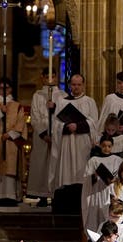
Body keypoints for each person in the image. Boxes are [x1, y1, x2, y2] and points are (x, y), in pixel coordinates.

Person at [49, 74, 99, 212]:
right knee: (67, 172)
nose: (76, 87)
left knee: (81, 173)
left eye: (79, 84)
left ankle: (81, 202)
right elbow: (56, 124)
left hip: (83, 143)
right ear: (70, 85)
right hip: (66, 142)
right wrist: (66, 127)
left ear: (83, 85)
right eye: (73, 84)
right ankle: (65, 203)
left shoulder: (89, 101)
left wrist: (78, 126)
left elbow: (95, 123)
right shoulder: (62, 101)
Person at [0, 77, 27, 206]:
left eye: (6, 88)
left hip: (11, 142)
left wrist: (11, 134)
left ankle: (10, 195)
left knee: (10, 167)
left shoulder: (17, 106)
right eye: (1, 88)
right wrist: (0, 114)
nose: (4, 91)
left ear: (11, 89)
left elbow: (21, 123)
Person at [27, 67, 67, 206]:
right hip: (42, 136)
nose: (50, 79)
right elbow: (35, 116)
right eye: (46, 77)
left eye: (52, 76)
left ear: (56, 78)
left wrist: (54, 108)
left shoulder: (62, 95)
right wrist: (44, 134)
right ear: (42, 78)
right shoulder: (37, 95)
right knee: (41, 164)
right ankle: (42, 195)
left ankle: (56, 194)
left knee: (55, 164)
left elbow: (65, 115)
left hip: (57, 134)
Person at [81, 136, 123, 231]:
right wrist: (95, 175)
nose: (106, 148)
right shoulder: (93, 160)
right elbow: (86, 180)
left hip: (112, 193)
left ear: (112, 146)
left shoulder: (118, 160)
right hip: (97, 194)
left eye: (109, 146)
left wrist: (116, 180)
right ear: (100, 145)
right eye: (104, 146)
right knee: (95, 218)